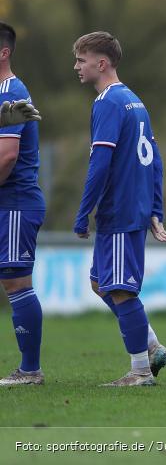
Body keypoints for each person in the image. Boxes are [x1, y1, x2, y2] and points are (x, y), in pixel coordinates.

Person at [72, 31, 166, 386]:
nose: (76, 67)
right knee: (100, 282)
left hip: (120, 208)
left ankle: (140, 371)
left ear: (101, 63)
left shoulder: (108, 103)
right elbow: (155, 159)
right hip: (136, 204)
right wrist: (156, 208)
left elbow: (99, 164)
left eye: (81, 60)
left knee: (120, 289)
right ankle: (151, 346)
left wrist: (84, 212)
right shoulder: (134, 100)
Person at [0, 21, 46, 386]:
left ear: (4, 52)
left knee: (17, 283)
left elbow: (7, 157)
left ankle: (30, 370)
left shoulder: (11, 92)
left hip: (14, 202)